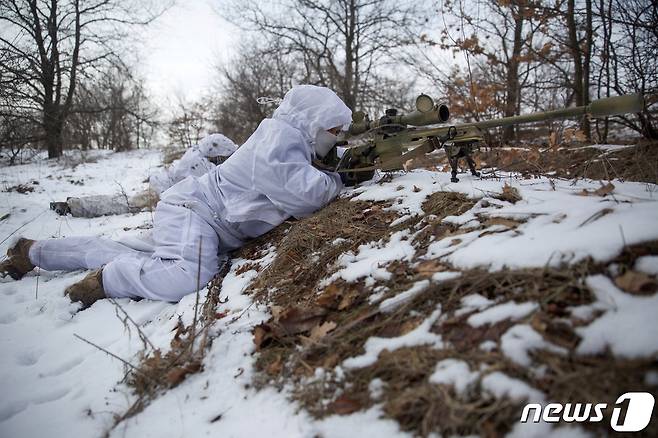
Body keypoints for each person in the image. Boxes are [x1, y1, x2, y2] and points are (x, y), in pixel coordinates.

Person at [0, 85, 351, 307]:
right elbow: (305, 196)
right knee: (189, 273)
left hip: (195, 213)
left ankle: (32, 251)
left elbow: (299, 178)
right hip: (194, 212)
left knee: (128, 250)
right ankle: (107, 281)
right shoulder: (279, 138)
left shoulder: (286, 138)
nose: (336, 138)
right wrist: (342, 178)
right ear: (314, 121)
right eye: (334, 131)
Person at [49, 134, 238, 218]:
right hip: (158, 192)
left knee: (122, 202)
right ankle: (73, 206)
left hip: (160, 187)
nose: (223, 160)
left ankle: (74, 204)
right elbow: (208, 185)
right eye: (223, 156)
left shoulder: (197, 153)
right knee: (123, 204)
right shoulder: (199, 162)